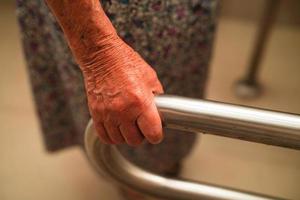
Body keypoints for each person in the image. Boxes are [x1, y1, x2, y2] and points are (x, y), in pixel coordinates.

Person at [17, 0, 218, 199]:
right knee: (121, 115)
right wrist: (99, 54)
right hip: (99, 16)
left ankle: (166, 161)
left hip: (184, 11)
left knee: (179, 92)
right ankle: (131, 180)